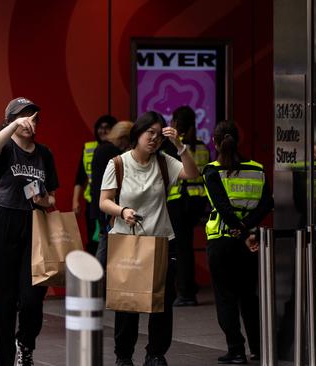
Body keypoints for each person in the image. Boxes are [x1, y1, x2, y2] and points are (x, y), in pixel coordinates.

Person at [99, 111, 198, 366]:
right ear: (137, 134)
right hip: (127, 241)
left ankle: (156, 354)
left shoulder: (164, 161)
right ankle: (123, 356)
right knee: (128, 303)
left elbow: (192, 174)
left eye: (158, 134)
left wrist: (179, 145)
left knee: (162, 302)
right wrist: (123, 211)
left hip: (162, 241)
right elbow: (104, 202)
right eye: (149, 133)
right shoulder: (118, 163)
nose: (153, 139)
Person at [0, 97, 58, 365]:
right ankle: (3, 360)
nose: (29, 122)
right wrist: (14, 124)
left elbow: (53, 199)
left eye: (33, 117)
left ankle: (25, 342)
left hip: (34, 225)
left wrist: (43, 201)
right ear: (10, 120)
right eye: (22, 117)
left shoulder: (44, 154)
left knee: (32, 297)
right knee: (3, 302)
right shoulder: (4, 149)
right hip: (2, 222)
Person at [202, 121, 273, 364]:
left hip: (222, 242)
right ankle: (258, 348)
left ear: (215, 142)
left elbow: (221, 206)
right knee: (249, 297)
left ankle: (236, 350)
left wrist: (238, 230)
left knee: (225, 297)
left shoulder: (212, 170)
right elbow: (267, 204)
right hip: (250, 242)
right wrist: (247, 230)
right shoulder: (257, 168)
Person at [161, 106, 211, 307]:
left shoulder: (171, 148)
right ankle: (187, 287)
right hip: (198, 204)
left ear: (174, 124)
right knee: (185, 247)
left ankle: (186, 292)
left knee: (180, 249)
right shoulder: (202, 147)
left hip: (177, 203)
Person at [72, 115, 117, 255]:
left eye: (107, 128)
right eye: (100, 128)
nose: (103, 131)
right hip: (92, 202)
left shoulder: (117, 149)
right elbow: (80, 178)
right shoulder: (89, 148)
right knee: (94, 239)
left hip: (112, 202)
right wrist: (75, 201)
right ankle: (94, 273)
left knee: (110, 240)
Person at [92, 120, 133, 266]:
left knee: (104, 246)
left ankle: (96, 284)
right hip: (108, 208)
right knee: (104, 249)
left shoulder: (101, 148)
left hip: (101, 205)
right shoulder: (112, 152)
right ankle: (95, 285)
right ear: (123, 138)